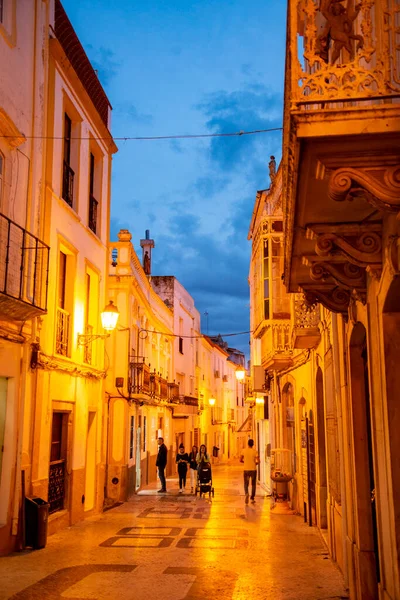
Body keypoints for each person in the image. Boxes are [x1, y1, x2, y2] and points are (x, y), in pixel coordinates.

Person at [240, 438, 260, 504]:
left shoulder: (244, 451)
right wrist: (255, 463)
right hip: (253, 469)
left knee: (246, 484)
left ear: (248, 444)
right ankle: (252, 498)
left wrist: (245, 462)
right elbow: (258, 461)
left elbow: (240, 460)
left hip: (246, 470)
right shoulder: (255, 451)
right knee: (253, 484)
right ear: (253, 444)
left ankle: (246, 494)